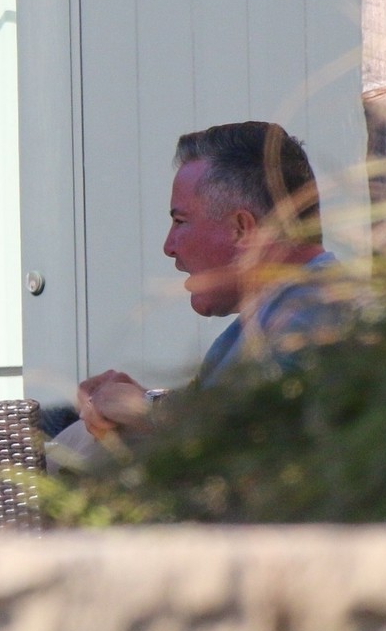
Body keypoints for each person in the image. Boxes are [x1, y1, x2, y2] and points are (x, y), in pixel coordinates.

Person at [71, 121, 342, 447]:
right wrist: (142, 401)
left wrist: (145, 408)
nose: (169, 246)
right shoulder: (278, 311)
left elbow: (253, 431)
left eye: (180, 221)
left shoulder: (316, 311)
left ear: (242, 229)